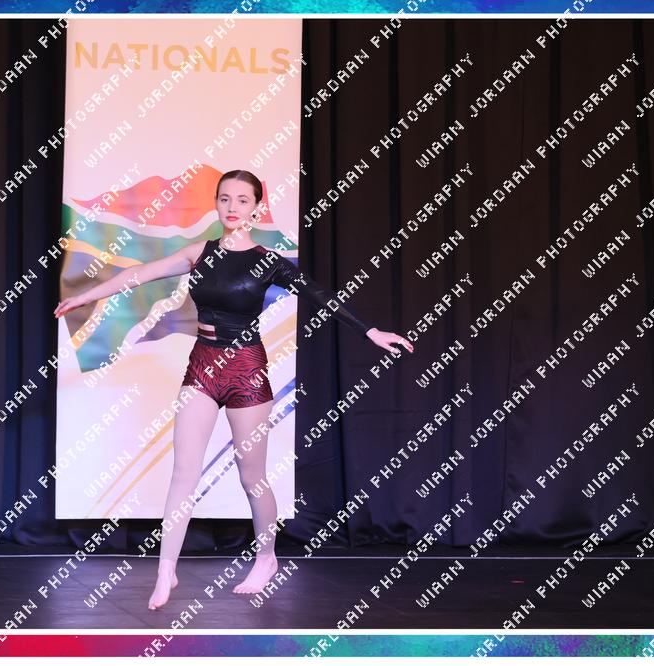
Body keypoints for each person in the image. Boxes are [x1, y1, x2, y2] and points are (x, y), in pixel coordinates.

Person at [55, 170, 414, 610]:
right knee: (184, 473)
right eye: (225, 198)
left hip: (246, 371)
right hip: (202, 366)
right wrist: (86, 296)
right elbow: (141, 274)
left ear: (256, 208)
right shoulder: (198, 252)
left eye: (242, 200)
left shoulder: (268, 261)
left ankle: (266, 557)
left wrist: (370, 331)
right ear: (216, 203)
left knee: (251, 477)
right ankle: (166, 570)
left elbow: (321, 296)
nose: (232, 207)